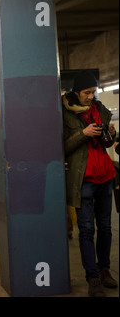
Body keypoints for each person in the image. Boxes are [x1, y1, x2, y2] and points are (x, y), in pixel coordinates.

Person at [62, 70, 118, 297]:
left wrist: (111, 134)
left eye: (93, 92)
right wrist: (83, 133)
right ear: (77, 92)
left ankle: (105, 270)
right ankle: (93, 278)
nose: (90, 97)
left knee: (105, 228)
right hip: (83, 179)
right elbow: (62, 148)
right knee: (86, 230)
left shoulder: (100, 109)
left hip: (105, 176)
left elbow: (106, 144)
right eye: (87, 93)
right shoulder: (65, 113)